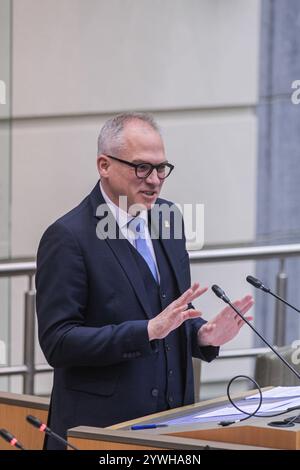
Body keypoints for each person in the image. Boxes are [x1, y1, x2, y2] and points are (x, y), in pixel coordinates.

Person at [36, 112, 253, 449]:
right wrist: (146, 331)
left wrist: (202, 335)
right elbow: (58, 342)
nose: (154, 180)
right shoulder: (67, 237)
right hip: (101, 432)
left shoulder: (169, 219)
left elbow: (172, 311)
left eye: (161, 168)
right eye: (142, 167)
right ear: (104, 165)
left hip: (173, 426)